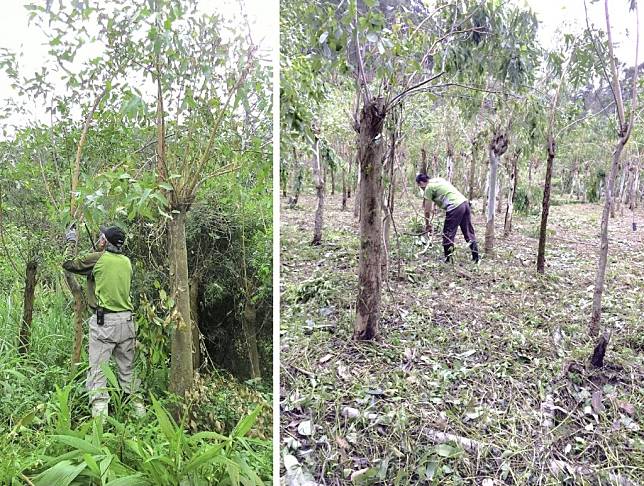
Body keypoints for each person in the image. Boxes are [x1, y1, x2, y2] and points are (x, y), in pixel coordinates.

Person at [63, 224, 145, 417]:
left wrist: (71, 240)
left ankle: (100, 425)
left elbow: (68, 263)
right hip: (127, 322)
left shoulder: (97, 259)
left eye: (101, 238)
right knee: (127, 371)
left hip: (105, 324)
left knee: (98, 372)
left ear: (104, 241)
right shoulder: (126, 262)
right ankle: (140, 416)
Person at [416, 174, 479, 263]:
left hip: (455, 206)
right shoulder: (438, 180)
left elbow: (427, 210)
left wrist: (428, 225)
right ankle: (476, 257)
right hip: (464, 203)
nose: (421, 188)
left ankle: (448, 259)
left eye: (420, 186)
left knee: (448, 233)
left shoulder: (428, 188)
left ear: (421, 183)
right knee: (468, 231)